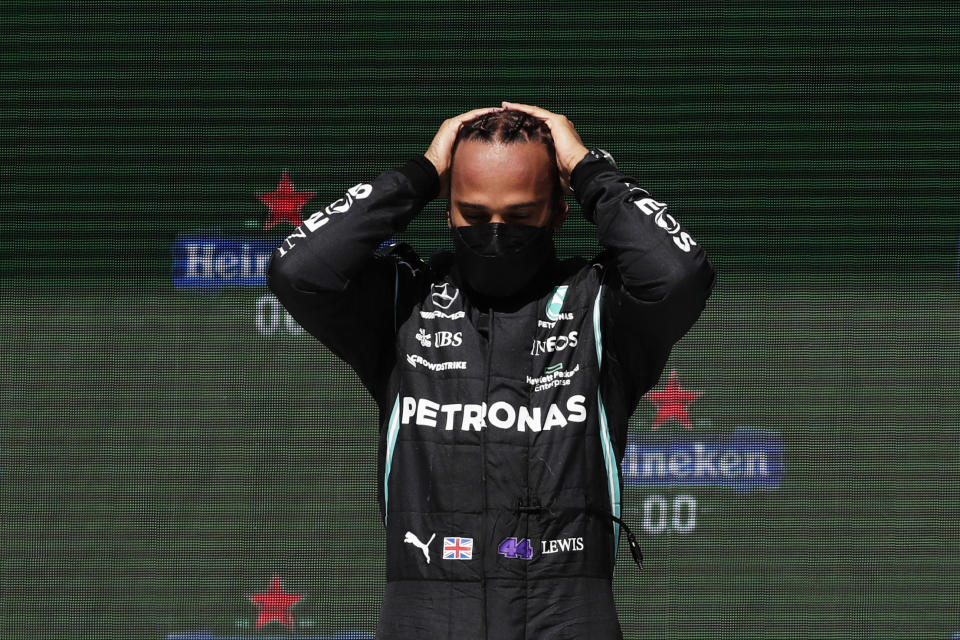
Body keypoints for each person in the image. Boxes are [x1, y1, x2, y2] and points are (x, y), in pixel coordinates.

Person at [266, 102, 717, 639]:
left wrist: (588, 170)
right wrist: (422, 173)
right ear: (447, 209)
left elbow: (679, 274)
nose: (496, 233)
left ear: (558, 212)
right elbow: (297, 270)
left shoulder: (600, 305)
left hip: (567, 610)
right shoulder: (402, 300)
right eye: (475, 216)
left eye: (520, 216)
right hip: (425, 612)